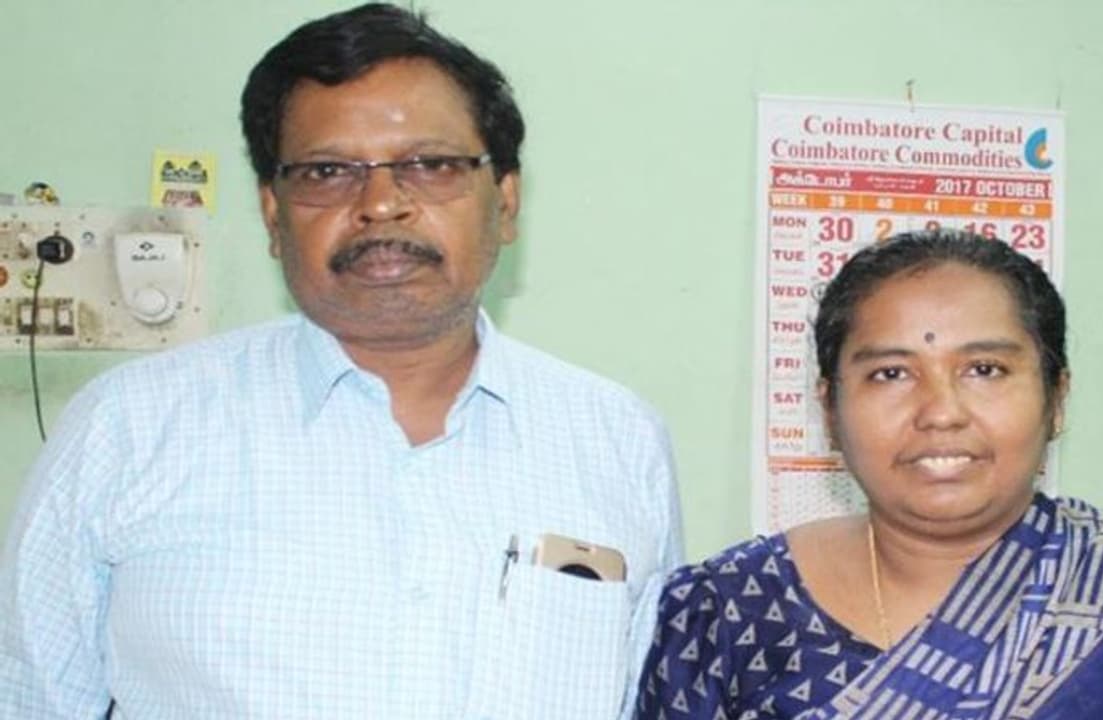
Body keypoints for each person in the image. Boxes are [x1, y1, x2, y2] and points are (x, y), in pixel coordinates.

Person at [0, 4, 682, 719]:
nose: (381, 205)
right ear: (274, 214)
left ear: (505, 202)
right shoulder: (128, 428)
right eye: (327, 171)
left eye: (431, 165)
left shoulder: (617, 441)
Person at [638, 229, 1103, 719]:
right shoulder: (721, 613)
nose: (941, 412)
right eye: (891, 374)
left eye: (985, 370)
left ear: (1057, 398)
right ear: (829, 410)